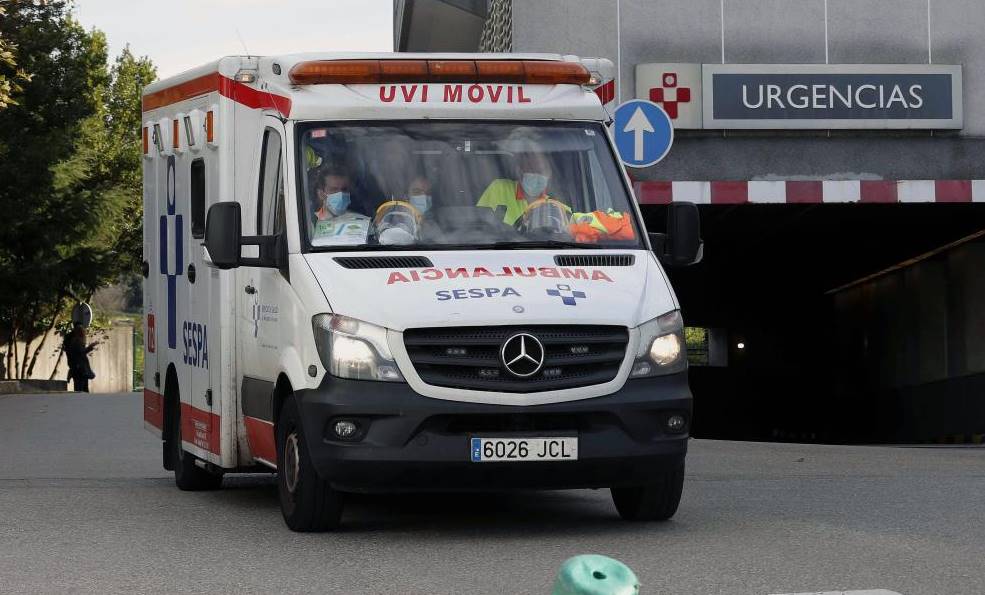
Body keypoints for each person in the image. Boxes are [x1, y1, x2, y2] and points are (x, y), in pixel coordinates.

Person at [476, 150, 562, 226]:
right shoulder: (499, 188)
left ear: (549, 173)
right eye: (531, 170)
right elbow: (481, 225)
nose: (536, 175)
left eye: (540, 171)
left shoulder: (557, 205)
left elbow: (570, 232)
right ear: (519, 171)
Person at [309, 164, 371, 245]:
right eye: (334, 190)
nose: (341, 194)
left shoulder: (362, 221)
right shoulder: (310, 225)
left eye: (344, 189)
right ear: (321, 194)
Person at [64, 324, 95, 393]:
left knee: (80, 388)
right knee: (81, 389)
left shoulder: (73, 341)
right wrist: (90, 347)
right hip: (80, 369)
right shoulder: (77, 342)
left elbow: (79, 353)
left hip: (77, 368)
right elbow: (80, 353)